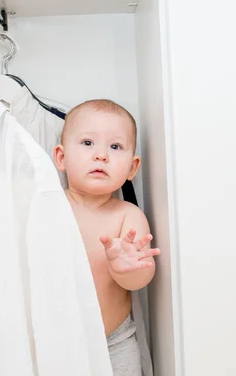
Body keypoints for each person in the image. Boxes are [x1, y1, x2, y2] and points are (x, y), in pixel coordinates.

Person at [53, 99, 161, 375]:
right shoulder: (48, 207)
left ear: (132, 168)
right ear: (61, 158)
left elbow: (139, 281)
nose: (101, 155)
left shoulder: (128, 216)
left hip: (114, 343)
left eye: (115, 147)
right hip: (55, 342)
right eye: (88, 143)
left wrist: (127, 269)